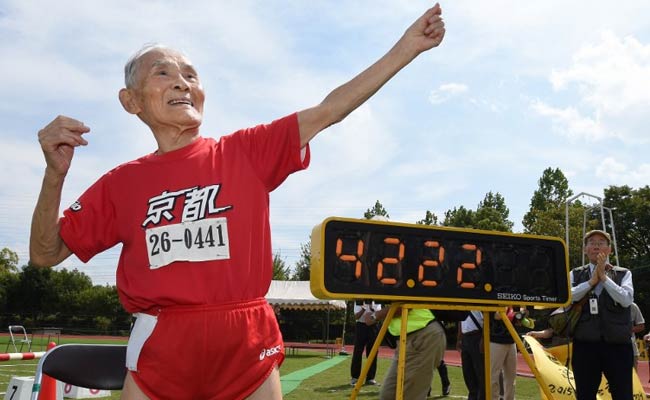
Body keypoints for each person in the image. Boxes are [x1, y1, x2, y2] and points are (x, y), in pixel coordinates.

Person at [28, 5, 446, 400]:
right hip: (162, 346)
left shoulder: (244, 152)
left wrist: (406, 48)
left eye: (191, 74)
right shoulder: (121, 184)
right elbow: (45, 254)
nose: (182, 82)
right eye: (163, 72)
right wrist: (55, 176)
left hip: (247, 341)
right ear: (131, 101)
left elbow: (329, 109)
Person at [570, 230, 634, 400]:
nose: (596, 246)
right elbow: (568, 297)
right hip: (585, 345)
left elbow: (626, 299)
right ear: (585, 250)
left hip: (618, 346)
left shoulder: (623, 273)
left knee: (623, 395)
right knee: (585, 395)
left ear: (609, 250)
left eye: (601, 242)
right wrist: (591, 282)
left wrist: (604, 278)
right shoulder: (575, 274)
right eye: (591, 242)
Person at [373, 306, 446, 400]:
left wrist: (375, 316)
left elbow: (402, 305)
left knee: (410, 395)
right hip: (408, 339)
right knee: (388, 394)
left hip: (421, 337)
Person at [350, 300, 382, 386]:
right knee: (358, 351)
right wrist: (363, 308)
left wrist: (371, 308)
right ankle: (355, 377)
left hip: (373, 326)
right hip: (361, 326)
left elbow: (378, 315)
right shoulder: (358, 301)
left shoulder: (376, 300)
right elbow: (356, 316)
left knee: (373, 352)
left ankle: (370, 378)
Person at [489, 309, 517, 400]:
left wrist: (521, 315)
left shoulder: (512, 304)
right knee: (493, 376)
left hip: (511, 341)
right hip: (495, 341)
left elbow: (518, 321)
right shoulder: (491, 301)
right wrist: (513, 312)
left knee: (511, 378)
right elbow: (497, 315)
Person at [457, 310, 485, 400]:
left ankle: (482, 397)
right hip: (466, 337)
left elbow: (486, 320)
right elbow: (460, 322)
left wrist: (483, 338)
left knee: (479, 370)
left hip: (477, 335)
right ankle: (472, 396)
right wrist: (459, 338)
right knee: (467, 371)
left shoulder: (478, 302)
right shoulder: (462, 305)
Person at [630, 302, 645, 370]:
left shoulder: (633, 306)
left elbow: (641, 326)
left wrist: (624, 330)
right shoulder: (606, 304)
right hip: (611, 349)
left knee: (632, 377)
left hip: (631, 349)